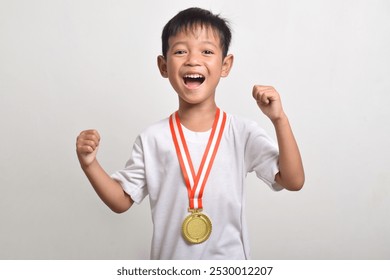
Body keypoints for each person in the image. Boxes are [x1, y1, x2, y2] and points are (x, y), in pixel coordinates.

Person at [76, 7, 304, 259]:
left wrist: (279, 119)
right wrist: (90, 164)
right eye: (180, 51)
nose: (193, 60)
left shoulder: (241, 133)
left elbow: (293, 181)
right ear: (163, 66)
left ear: (225, 65)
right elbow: (121, 201)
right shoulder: (153, 139)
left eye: (206, 51)